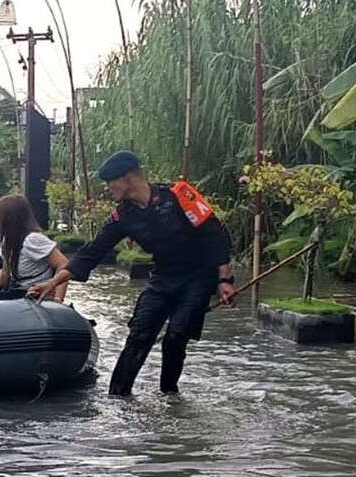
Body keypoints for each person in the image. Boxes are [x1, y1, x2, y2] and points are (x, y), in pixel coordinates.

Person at [29, 152, 235, 396]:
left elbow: (215, 235)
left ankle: (170, 397)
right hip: (162, 278)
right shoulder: (123, 215)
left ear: (128, 177)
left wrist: (224, 280)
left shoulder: (179, 195)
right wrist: (53, 282)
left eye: (110, 182)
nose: (108, 189)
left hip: (198, 277)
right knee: (139, 334)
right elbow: (93, 251)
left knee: (176, 336)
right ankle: (118, 397)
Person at [0, 194, 69, 302]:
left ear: (10, 218)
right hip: (18, 295)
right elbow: (5, 274)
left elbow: (64, 265)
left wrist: (58, 299)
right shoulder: (6, 242)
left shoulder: (32, 240)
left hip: (37, 297)